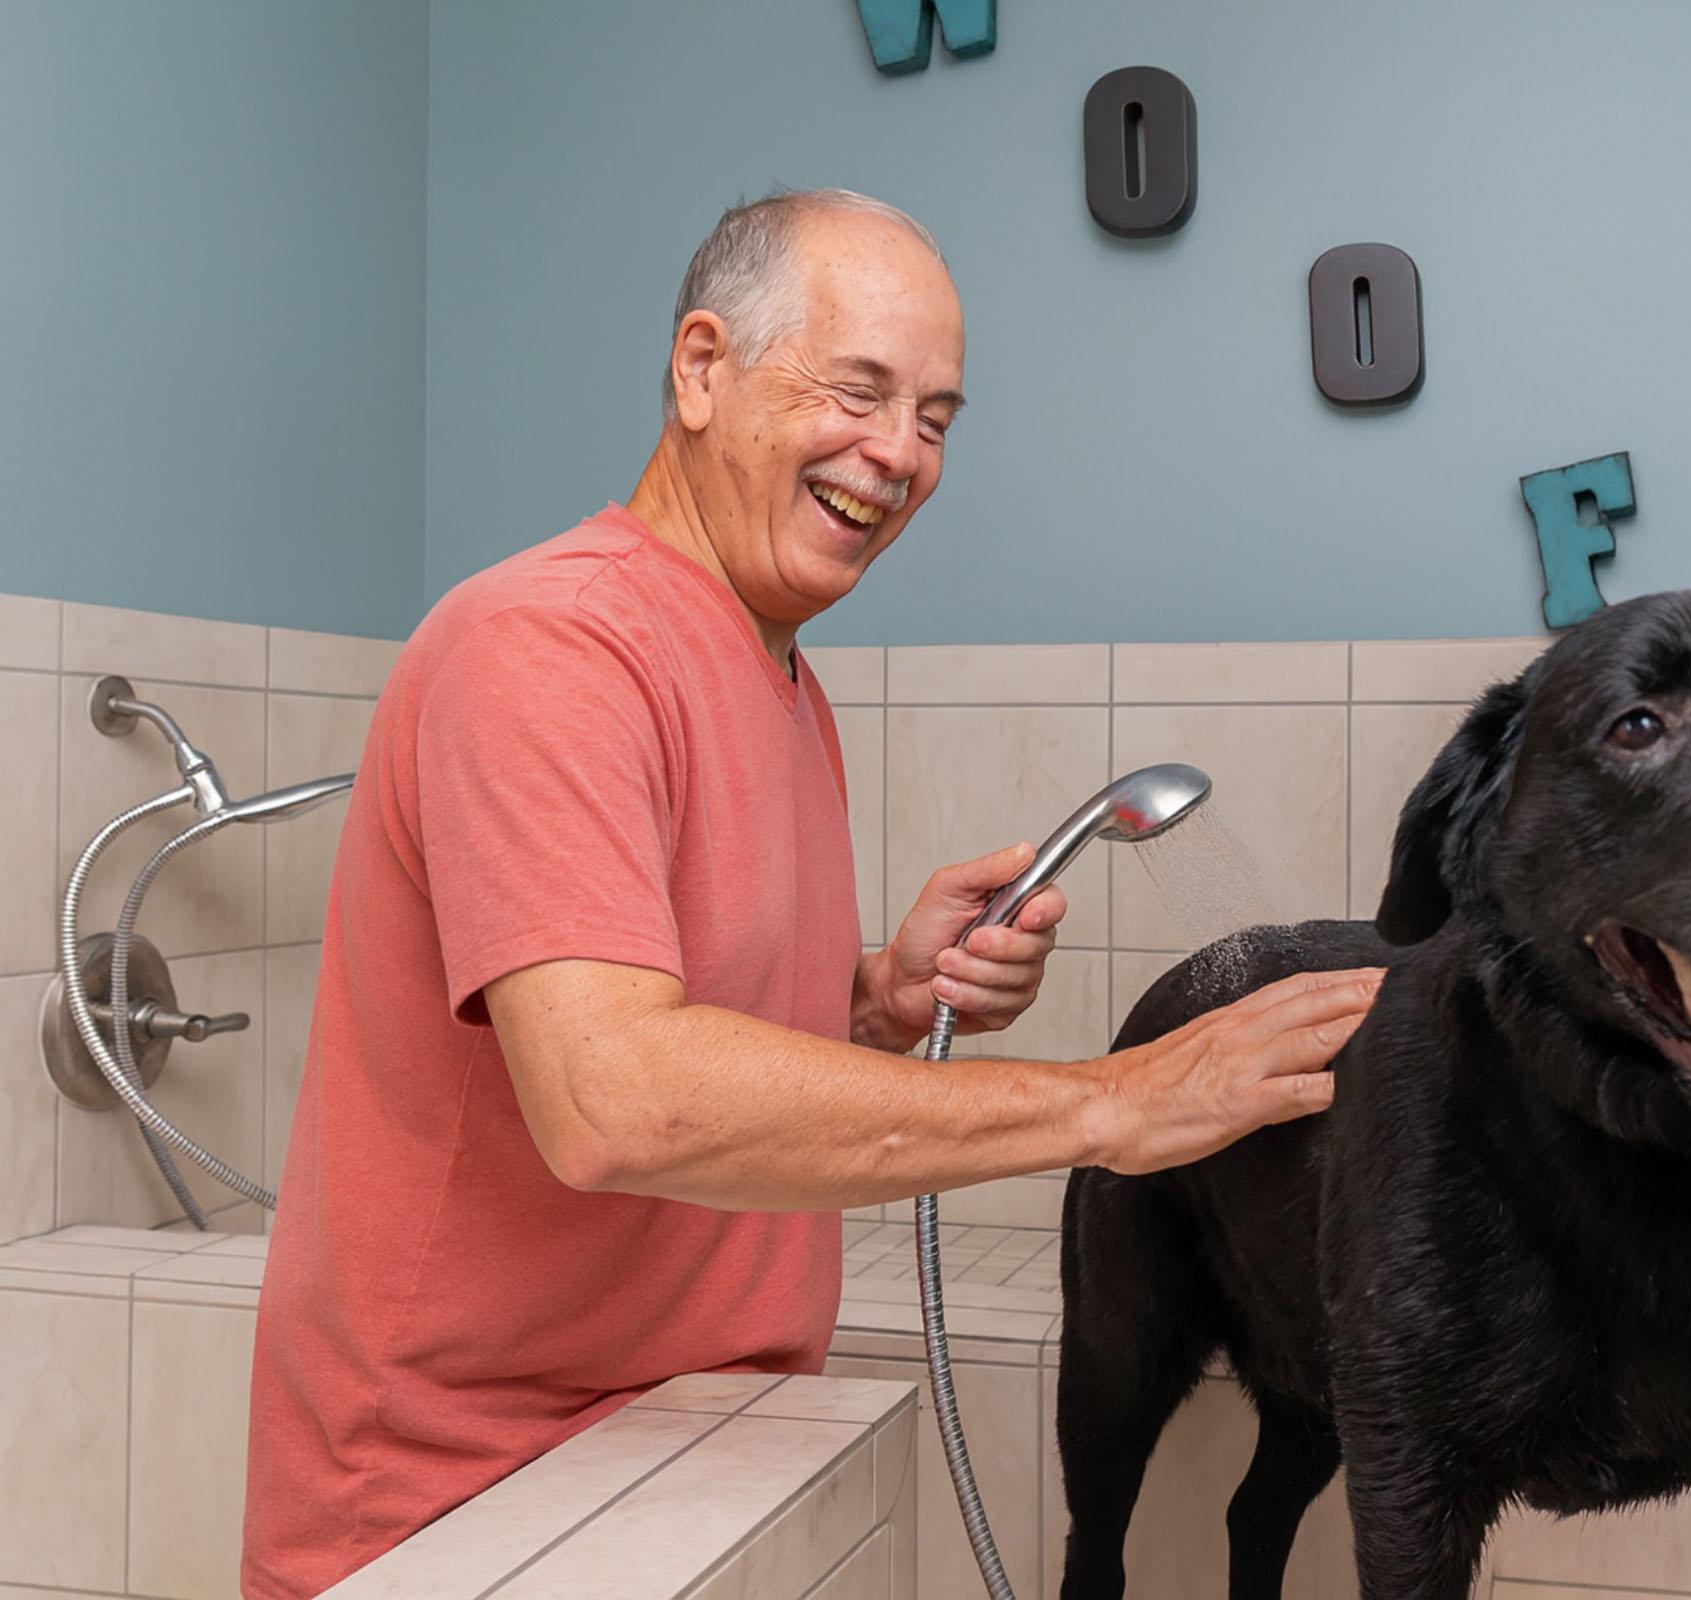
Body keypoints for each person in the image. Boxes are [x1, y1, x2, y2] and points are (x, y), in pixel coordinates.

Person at [240, 188, 1380, 1599]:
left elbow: (669, 1014)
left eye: (939, 418)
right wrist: (1121, 1101)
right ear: (703, 368)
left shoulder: (778, 674)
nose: (899, 454)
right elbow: (615, 1096)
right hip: (466, 1502)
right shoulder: (549, 646)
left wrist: (875, 998)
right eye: (860, 390)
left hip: (681, 1450)